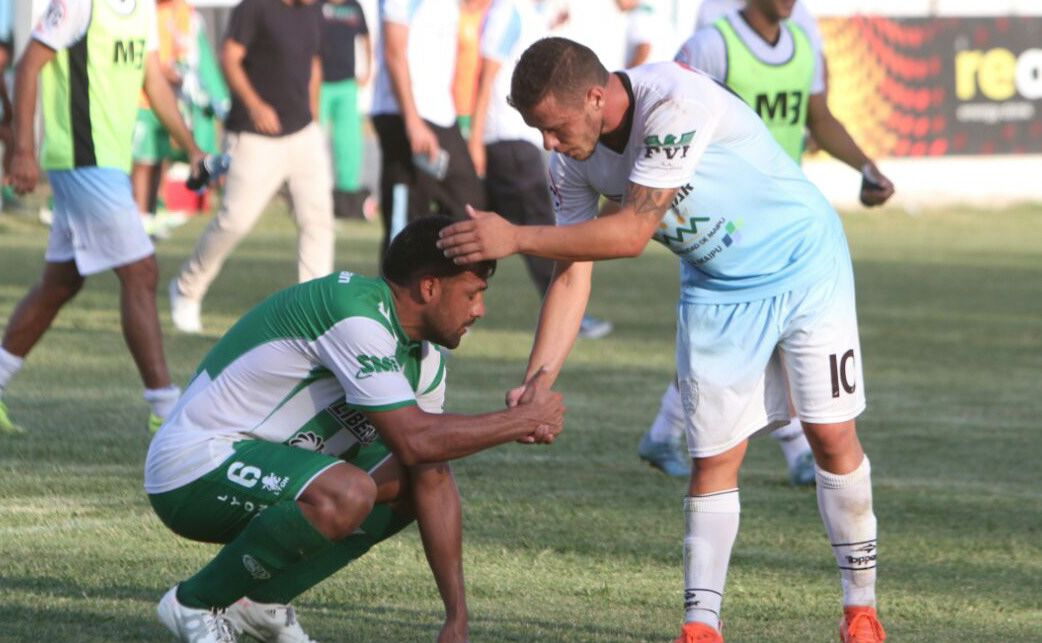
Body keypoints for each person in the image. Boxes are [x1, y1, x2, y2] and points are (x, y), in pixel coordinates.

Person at [438, 37, 886, 642]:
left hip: (805, 264)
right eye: (537, 130)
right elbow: (571, 272)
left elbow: (629, 234)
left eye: (553, 127)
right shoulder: (571, 158)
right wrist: (539, 379)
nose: (547, 143)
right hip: (716, 288)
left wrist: (515, 236)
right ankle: (700, 628)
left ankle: (861, 612)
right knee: (714, 457)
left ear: (596, 97)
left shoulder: (673, 103)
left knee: (830, 436)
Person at [148, 215, 565, 643]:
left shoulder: (425, 360)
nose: (479, 310)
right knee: (348, 492)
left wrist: (455, 618)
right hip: (192, 467)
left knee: (413, 479)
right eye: (473, 294)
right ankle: (195, 602)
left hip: (262, 466)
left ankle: (260, 602)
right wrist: (522, 419)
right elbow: (415, 439)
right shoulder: (352, 311)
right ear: (429, 287)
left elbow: (430, 469)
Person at [640, 0, 896, 482]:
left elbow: (819, 119)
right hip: (722, 218)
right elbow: (663, 114)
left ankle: (663, 433)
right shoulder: (712, 45)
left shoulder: (803, 42)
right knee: (753, 338)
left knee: (743, 342)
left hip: (781, 219)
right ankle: (799, 452)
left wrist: (866, 167)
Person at [0, 0, 205, 435]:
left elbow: (154, 81)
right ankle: (165, 409)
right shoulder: (79, 4)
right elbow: (28, 65)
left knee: (61, 283)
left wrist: (191, 148)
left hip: (109, 163)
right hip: (81, 160)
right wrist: (22, 149)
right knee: (140, 271)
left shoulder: (143, 8)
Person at [169, 0, 334, 334]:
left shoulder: (313, 10)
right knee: (234, 221)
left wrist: (313, 117)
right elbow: (229, 57)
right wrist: (255, 105)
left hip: (303, 133)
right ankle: (186, 288)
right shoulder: (255, 7)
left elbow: (314, 64)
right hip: (253, 136)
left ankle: (313, 314)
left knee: (318, 222)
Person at [467, 0, 612, 339]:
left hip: (519, 139)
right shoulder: (507, 11)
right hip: (506, 138)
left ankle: (453, 309)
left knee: (482, 225)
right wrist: (476, 138)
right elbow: (486, 75)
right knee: (540, 224)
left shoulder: (531, 13)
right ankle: (570, 314)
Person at [370, 0, 485, 254]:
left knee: (468, 207)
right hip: (404, 114)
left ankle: (442, 277)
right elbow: (394, 51)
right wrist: (412, 121)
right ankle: (398, 280)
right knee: (406, 227)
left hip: (442, 114)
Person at [132, 0, 229, 237]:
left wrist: (182, 71)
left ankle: (149, 213)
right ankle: (138, 216)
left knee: (159, 157)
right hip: (142, 98)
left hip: (169, 97)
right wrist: (164, 71)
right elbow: (146, 59)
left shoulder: (183, 10)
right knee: (143, 160)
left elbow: (184, 49)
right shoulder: (144, 9)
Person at [318, 0, 374, 221]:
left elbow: (366, 38)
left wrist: (368, 69)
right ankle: (314, 192)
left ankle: (347, 197)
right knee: (313, 141)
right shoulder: (317, 5)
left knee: (349, 143)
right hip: (320, 85)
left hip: (347, 85)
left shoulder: (354, 7)